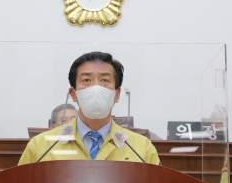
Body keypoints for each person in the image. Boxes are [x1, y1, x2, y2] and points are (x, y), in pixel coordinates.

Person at [19, 51, 160, 165]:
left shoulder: (141, 148)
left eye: (104, 80)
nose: (96, 88)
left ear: (117, 94)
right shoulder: (40, 146)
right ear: (73, 94)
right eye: (86, 80)